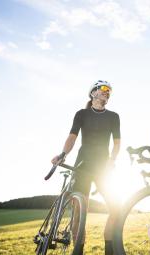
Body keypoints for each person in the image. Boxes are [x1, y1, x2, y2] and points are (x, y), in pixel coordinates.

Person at [52, 80, 120, 255]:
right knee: (79, 212)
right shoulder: (81, 114)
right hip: (82, 165)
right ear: (93, 93)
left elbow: (117, 143)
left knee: (115, 208)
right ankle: (78, 251)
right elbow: (72, 137)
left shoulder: (113, 116)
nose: (107, 92)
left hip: (102, 168)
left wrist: (112, 160)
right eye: (104, 89)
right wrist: (62, 154)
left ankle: (109, 250)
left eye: (109, 91)